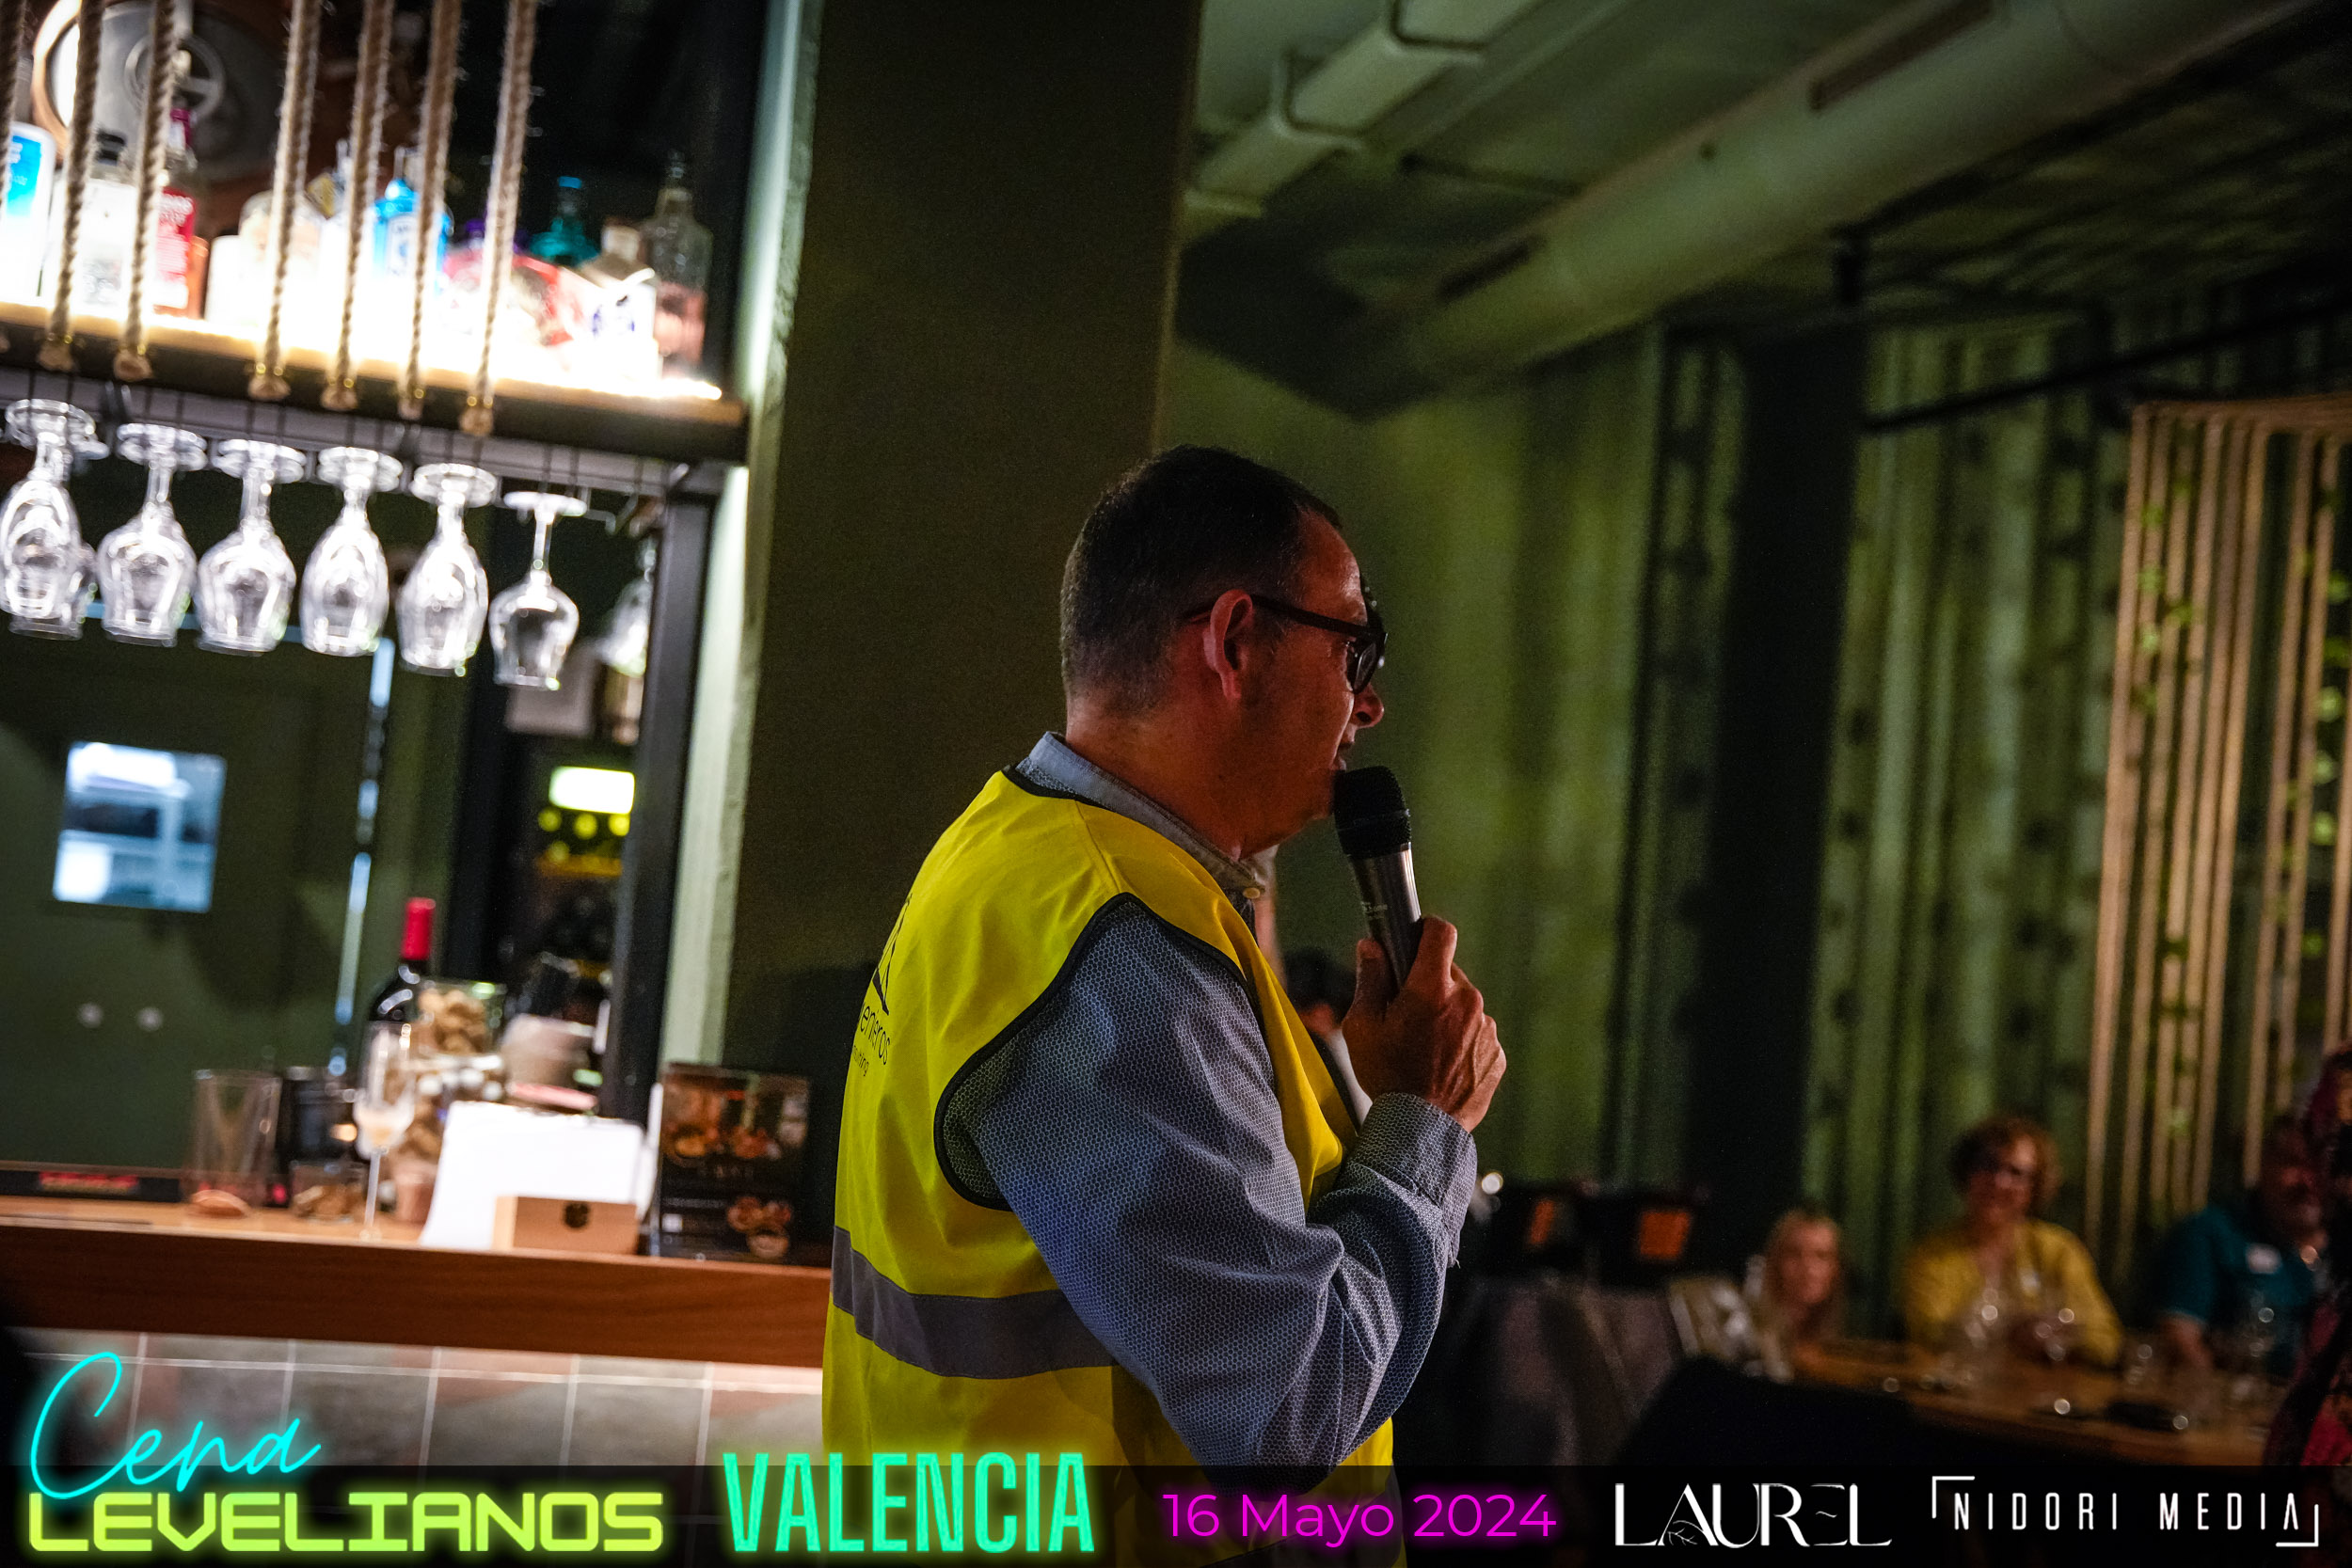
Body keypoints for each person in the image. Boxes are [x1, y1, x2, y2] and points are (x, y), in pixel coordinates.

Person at [821, 446, 1507, 1477]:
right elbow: (1286, 1407)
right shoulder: (1122, 948)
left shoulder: (1015, 856)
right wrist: (1424, 1121)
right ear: (1235, 642)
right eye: (1355, 649)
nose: (1367, 706)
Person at [1901, 1111, 2122, 1365]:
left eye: (2016, 1173)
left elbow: (2106, 1341)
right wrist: (2011, 1333)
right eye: (1988, 1165)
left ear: (2035, 1186)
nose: (1999, 1182)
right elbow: (1927, 1332)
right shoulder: (1932, 1254)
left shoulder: (2058, 1250)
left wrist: (2058, 1337)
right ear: (1967, 1172)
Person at [2153, 1114, 2325, 1378]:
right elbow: (2179, 1339)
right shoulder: (2210, 1233)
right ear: (2264, 1163)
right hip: (2234, 1398)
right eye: (2294, 1163)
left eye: (2322, 1169)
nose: (2309, 1182)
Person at [1754, 1205, 1845, 1357]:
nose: (1808, 1268)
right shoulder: (1751, 1336)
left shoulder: (1841, 1338)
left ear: (1835, 1267)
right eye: (1794, 1254)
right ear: (1776, 1262)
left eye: (1821, 1256)